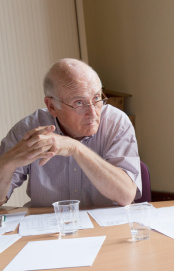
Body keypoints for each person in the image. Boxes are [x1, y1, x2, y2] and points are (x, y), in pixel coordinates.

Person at [0, 58, 142, 207]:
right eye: (79, 103)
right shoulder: (29, 129)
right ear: (52, 106)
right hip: (48, 226)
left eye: (96, 98)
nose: (93, 113)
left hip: (107, 228)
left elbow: (126, 195)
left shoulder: (116, 123)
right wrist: (7, 163)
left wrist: (76, 148)